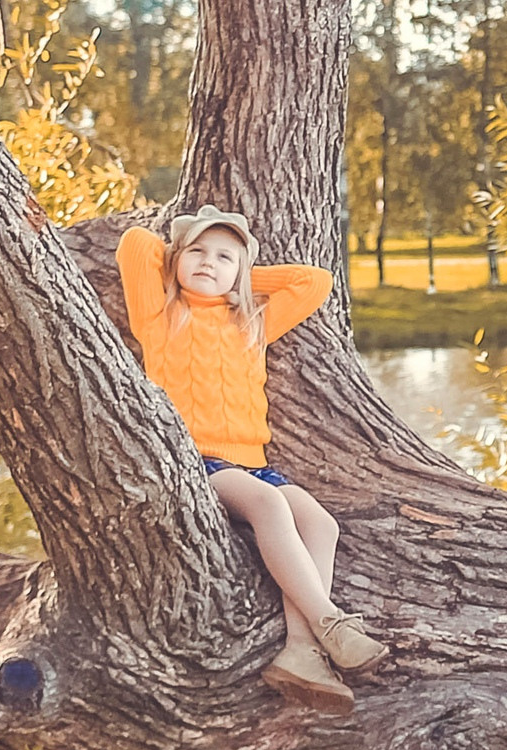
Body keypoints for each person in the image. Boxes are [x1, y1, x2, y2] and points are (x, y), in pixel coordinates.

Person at [116, 206, 391, 710]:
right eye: (196, 252)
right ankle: (330, 621)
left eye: (224, 257)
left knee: (320, 524)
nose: (208, 262)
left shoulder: (251, 323)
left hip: (251, 462)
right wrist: (183, 256)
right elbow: (137, 243)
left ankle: (302, 650)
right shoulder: (160, 316)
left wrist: (241, 279)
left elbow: (315, 281)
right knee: (268, 505)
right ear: (176, 260)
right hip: (193, 461)